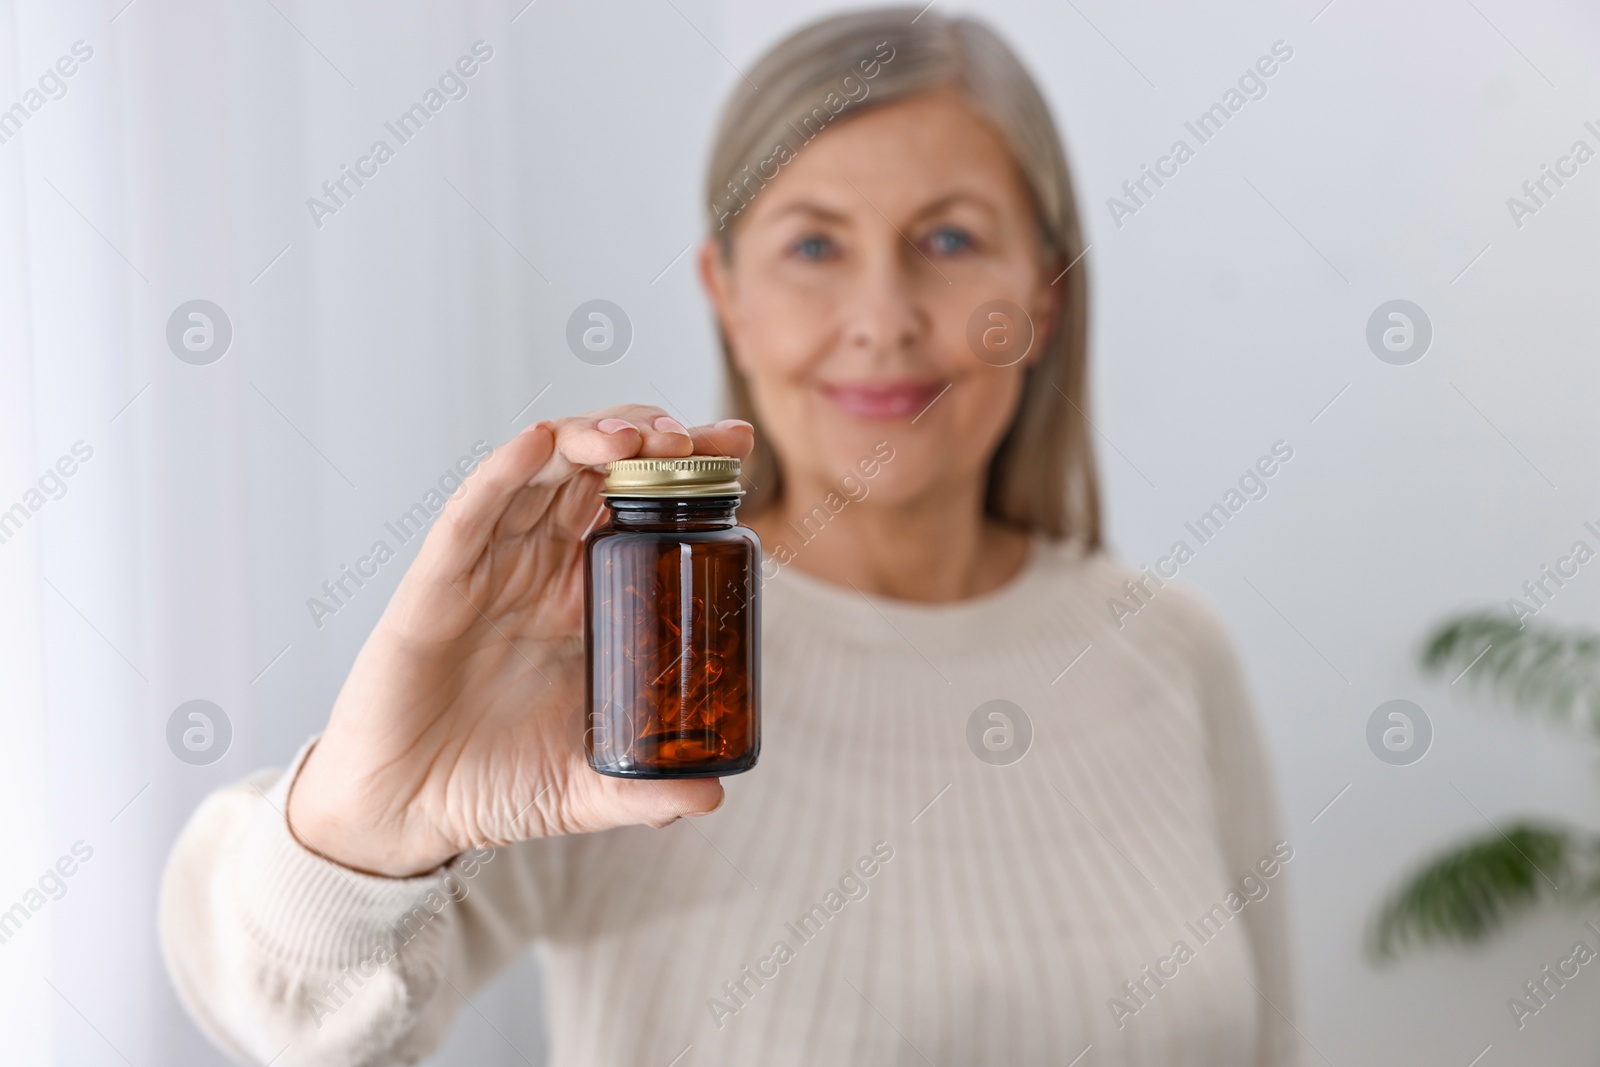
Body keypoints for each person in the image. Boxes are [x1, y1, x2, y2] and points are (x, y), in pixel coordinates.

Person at [160, 8, 1295, 1065]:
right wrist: (364, 818)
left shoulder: (1171, 651)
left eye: (947, 239)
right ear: (726, 295)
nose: (882, 315)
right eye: (813, 245)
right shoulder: (632, 656)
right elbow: (286, 1008)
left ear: (1041, 296)